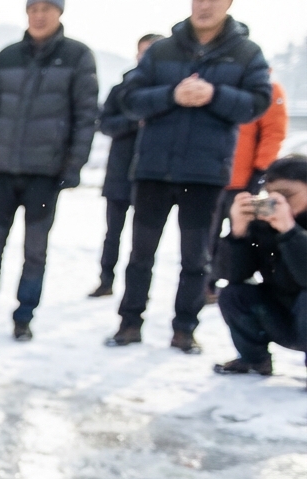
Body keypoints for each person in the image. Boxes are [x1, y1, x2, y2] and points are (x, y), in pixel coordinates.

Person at [107, 0, 272, 353]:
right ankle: (129, 322)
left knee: (195, 257)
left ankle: (185, 328)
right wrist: (172, 94)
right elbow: (129, 99)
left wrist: (215, 95)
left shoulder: (247, 53)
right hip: (154, 169)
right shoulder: (162, 49)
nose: (205, 5)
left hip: (206, 173)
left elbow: (258, 103)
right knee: (140, 254)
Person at [0, 0, 98, 342]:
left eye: (46, 8)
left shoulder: (77, 56)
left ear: (59, 12)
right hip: (4, 171)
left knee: (35, 250)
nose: (38, 15)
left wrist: (74, 165)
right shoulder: (7, 56)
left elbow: (85, 116)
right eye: (33, 8)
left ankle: (24, 316)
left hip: (45, 174)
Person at [213, 155, 307, 387]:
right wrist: (239, 231)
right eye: (273, 195)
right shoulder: (265, 222)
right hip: (284, 313)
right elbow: (232, 275)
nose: (279, 203)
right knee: (233, 293)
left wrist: (290, 231)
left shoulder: (283, 222)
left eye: (287, 195)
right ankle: (255, 360)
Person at [90, 33, 162, 298]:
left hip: (154, 174)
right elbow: (104, 124)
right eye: (144, 52)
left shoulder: (172, 91)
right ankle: (105, 280)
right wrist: (135, 122)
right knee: (113, 233)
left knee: (144, 239)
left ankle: (137, 290)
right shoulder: (121, 89)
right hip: (120, 170)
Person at [207, 76, 290, 303]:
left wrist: (260, 169)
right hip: (209, 178)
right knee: (206, 236)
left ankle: (237, 280)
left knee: (242, 234)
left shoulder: (269, 89)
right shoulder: (212, 85)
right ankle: (205, 283)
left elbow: (274, 132)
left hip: (243, 179)